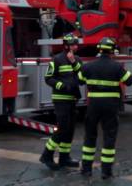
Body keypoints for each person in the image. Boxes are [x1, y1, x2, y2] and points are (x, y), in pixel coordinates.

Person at [77, 37, 132, 179]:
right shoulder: (117, 66)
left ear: (99, 50)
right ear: (112, 51)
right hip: (111, 106)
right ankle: (106, 172)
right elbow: (130, 81)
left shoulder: (88, 66)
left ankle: (86, 169)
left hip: (93, 105)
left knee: (90, 136)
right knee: (109, 136)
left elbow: (79, 80)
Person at [40, 34, 84, 170]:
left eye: (76, 44)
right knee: (62, 128)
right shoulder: (57, 59)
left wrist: (74, 64)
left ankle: (64, 158)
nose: (75, 47)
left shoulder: (77, 60)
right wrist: (61, 86)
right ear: (66, 46)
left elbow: (82, 79)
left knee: (69, 130)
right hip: (60, 99)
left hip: (72, 99)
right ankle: (47, 155)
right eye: (73, 44)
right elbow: (48, 78)